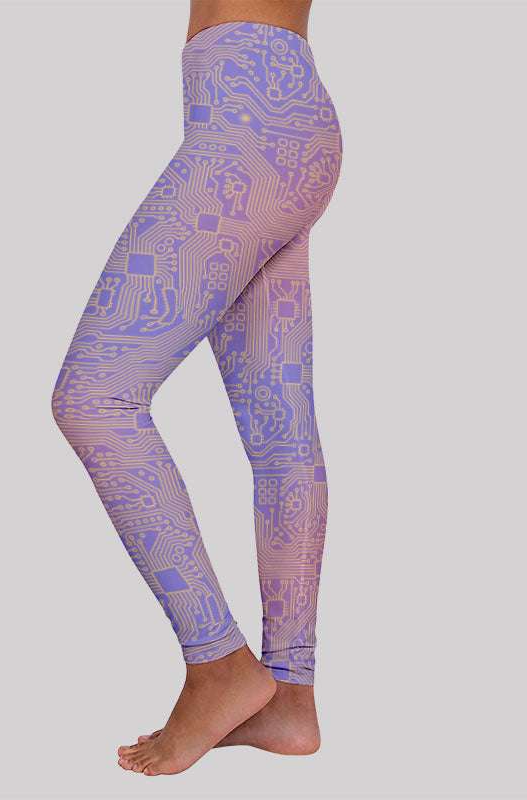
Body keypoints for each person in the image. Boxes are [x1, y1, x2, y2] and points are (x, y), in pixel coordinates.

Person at [51, 0, 342, 776]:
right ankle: (289, 696)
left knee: (94, 399)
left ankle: (219, 662)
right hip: (282, 110)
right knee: (280, 435)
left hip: (248, 124)